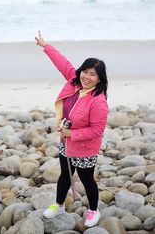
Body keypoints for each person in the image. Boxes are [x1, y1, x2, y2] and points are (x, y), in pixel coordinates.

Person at [35, 31, 108, 227]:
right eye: (85, 71)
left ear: (99, 79)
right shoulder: (74, 81)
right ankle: (59, 205)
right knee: (65, 175)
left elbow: (97, 131)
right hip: (65, 143)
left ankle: (93, 209)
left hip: (85, 148)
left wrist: (72, 134)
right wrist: (45, 45)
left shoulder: (98, 102)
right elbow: (62, 62)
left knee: (87, 179)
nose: (87, 76)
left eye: (93, 74)